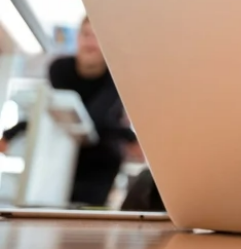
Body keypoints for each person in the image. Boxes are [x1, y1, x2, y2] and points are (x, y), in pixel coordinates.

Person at [1, 17, 138, 206]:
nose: (90, 42)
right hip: (58, 153)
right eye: (86, 34)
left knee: (85, 213)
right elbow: (51, 111)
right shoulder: (60, 68)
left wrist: (133, 140)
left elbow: (96, 119)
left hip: (100, 161)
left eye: (97, 37)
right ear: (78, 37)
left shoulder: (116, 75)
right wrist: (11, 134)